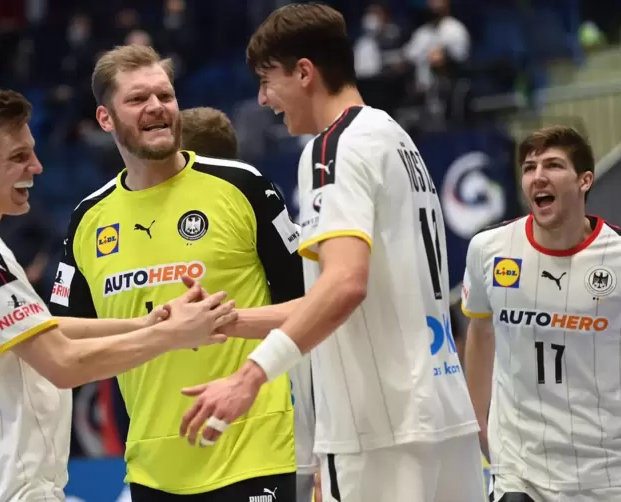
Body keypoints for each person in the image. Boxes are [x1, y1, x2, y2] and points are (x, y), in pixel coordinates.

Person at [178, 4, 484, 502]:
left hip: (380, 428)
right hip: (441, 414)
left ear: (304, 73)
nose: (262, 99)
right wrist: (225, 322)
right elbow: (338, 296)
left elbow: (344, 285)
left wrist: (250, 375)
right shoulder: (395, 137)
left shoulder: (331, 148)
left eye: (266, 80)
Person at [0, 88, 236, 502]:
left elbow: (40, 328)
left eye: (33, 152)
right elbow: (62, 365)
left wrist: (142, 323)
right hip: (8, 490)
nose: (37, 167)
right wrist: (173, 336)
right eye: (18, 157)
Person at [48, 45, 304, 501]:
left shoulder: (243, 185)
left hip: (254, 453)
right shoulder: (89, 218)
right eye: (137, 99)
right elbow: (63, 334)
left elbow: (310, 305)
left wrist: (232, 330)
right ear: (105, 119)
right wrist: (148, 329)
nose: (156, 108)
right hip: (153, 467)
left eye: (165, 96)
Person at [462, 125, 621, 502]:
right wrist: (476, 418)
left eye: (554, 165)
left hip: (611, 473)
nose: (538, 176)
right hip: (521, 471)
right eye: (529, 167)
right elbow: (481, 329)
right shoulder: (488, 248)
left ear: (585, 180)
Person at [180, 105, 320, 502]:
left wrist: (225, 321)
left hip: (271, 428)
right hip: (275, 423)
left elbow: (307, 303)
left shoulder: (249, 198)